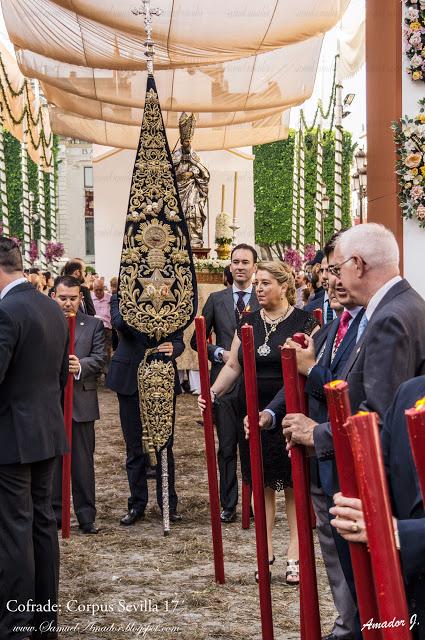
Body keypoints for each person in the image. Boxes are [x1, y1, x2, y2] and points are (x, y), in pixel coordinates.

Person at [199, 261, 319, 583]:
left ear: (284, 285)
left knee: (291, 483)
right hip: (250, 410)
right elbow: (234, 367)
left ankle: (296, 552)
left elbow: (308, 369)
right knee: (261, 481)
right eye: (257, 283)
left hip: (288, 410)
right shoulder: (248, 321)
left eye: (266, 282)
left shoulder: (304, 321)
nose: (259, 288)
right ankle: (264, 552)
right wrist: (212, 392)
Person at [0, 238, 68, 640]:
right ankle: (45, 622)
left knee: (13, 530)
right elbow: (60, 376)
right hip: (45, 430)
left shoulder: (6, 311)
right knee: (42, 525)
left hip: (11, 436)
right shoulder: (49, 306)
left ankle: (15, 626)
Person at [330, 375, 425, 639]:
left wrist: (399, 534)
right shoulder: (410, 393)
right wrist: (361, 512)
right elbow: (377, 486)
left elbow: (386, 528)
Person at [191, 243, 259, 523]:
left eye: (246, 262)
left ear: (254, 267)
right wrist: (220, 352)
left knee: (254, 446)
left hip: (255, 383)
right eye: (236, 262)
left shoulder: (263, 297)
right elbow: (197, 339)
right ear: (230, 266)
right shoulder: (216, 300)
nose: (240, 266)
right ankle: (228, 504)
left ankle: (255, 504)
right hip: (224, 382)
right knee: (227, 447)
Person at [106, 295, 185, 525]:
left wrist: (175, 348)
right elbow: (119, 323)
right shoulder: (121, 295)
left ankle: (168, 505)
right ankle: (137, 504)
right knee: (134, 446)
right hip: (130, 378)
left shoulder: (171, 294)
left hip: (162, 378)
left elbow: (178, 338)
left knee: (165, 445)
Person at [51, 276, 105, 534]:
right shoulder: (44, 323)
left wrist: (80, 365)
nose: (68, 303)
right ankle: (55, 513)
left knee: (82, 463)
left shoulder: (93, 325)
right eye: (63, 298)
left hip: (81, 403)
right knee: (52, 463)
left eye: (73, 298)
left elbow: (100, 358)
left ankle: (86, 515)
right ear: (53, 296)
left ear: (80, 299)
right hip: (50, 404)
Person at [91, 277, 113, 370]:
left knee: (107, 350)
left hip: (106, 328)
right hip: (94, 328)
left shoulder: (109, 298)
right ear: (93, 289)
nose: (99, 292)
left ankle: (107, 371)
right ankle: (97, 370)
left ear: (104, 288)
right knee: (96, 349)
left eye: (101, 290)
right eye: (96, 290)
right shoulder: (90, 298)